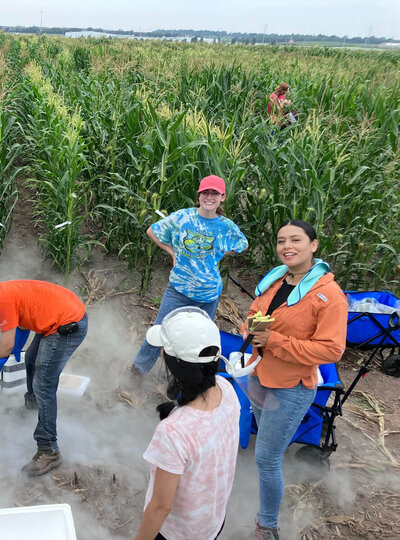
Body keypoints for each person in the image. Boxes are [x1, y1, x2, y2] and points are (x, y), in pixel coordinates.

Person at [242, 220, 347, 539]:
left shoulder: (329, 295)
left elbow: (332, 349)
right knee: (265, 449)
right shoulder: (275, 281)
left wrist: (273, 341)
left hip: (290, 387)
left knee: (267, 457)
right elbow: (256, 312)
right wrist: (251, 328)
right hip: (258, 375)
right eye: (281, 240)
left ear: (314, 245)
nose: (287, 246)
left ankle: (267, 527)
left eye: (296, 240)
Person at [0, 266, 88, 476]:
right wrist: (19, 343)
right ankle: (33, 407)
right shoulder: (8, 291)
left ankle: (49, 450)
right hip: (61, 315)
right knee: (31, 360)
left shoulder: (4, 300)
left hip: (67, 325)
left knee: (44, 385)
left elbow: (6, 345)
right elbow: (25, 316)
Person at [134, 307, 240, 540]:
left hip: (178, 534)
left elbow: (161, 506)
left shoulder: (173, 431)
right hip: (212, 522)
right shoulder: (227, 389)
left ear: (170, 361)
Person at [131, 175, 248, 375]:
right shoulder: (183, 217)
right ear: (199, 195)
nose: (209, 197)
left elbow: (242, 244)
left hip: (209, 294)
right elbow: (152, 231)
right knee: (160, 330)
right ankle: (138, 370)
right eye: (205, 192)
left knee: (197, 338)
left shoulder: (225, 226)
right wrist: (173, 253)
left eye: (215, 193)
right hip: (179, 289)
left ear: (222, 197)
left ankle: (185, 377)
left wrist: (218, 254)